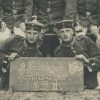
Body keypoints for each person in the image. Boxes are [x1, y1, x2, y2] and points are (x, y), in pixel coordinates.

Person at [54, 20, 100, 89]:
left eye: (67, 31)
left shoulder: (85, 41)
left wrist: (87, 61)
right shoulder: (58, 51)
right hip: (71, 85)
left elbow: (98, 56)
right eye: (62, 32)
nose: (65, 34)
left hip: (90, 83)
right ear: (59, 34)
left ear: (73, 32)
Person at [0, 21, 43, 90]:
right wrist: (8, 57)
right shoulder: (14, 40)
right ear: (25, 32)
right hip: (4, 79)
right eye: (29, 33)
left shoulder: (38, 54)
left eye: (35, 33)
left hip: (20, 84)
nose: (31, 36)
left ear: (40, 34)